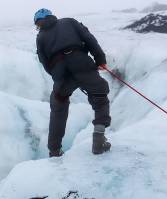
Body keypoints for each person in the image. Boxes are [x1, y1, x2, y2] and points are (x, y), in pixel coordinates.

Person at [34, 8, 111, 157]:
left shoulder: (41, 37)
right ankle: (99, 139)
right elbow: (89, 39)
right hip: (82, 64)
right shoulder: (69, 22)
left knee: (58, 108)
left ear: (38, 22)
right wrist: (100, 59)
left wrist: (57, 75)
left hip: (61, 74)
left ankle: (54, 151)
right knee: (100, 96)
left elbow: (44, 61)